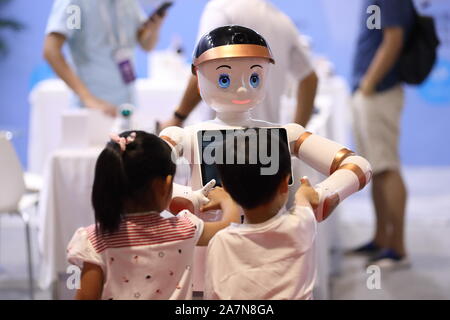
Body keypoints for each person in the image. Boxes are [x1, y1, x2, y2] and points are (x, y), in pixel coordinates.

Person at [66, 131, 240, 300]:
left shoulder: (94, 240)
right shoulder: (185, 228)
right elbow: (228, 226)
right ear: (165, 185)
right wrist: (228, 199)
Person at [160, 0, 318, 129]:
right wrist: (296, 132)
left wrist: (178, 117)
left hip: (220, 141)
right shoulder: (282, 21)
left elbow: (206, 64)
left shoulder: (221, 9)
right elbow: (310, 78)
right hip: (267, 139)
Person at [204, 129, 320, 299]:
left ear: (227, 189)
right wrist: (304, 193)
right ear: (283, 184)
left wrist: (225, 201)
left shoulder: (220, 242)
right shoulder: (301, 224)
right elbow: (304, 199)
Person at [349, 0, 415, 268]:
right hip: (371, 90)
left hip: (378, 91)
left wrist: (369, 83)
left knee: (386, 166)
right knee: (376, 168)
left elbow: (394, 38)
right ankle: (381, 239)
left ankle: (397, 248)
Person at [43, 0, 166, 117]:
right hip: (93, 110)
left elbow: (146, 45)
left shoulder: (127, 2)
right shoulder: (75, 4)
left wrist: (154, 28)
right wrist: (87, 98)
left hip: (127, 106)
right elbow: (51, 51)